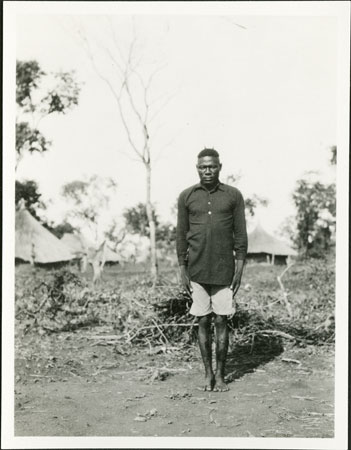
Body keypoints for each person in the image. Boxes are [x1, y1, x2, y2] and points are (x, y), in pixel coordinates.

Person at [176, 148, 248, 392]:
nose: (207, 171)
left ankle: (221, 375)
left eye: (212, 166)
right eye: (202, 167)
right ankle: (207, 373)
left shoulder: (233, 195)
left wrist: (239, 269)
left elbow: (240, 235)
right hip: (196, 269)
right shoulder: (187, 196)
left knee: (221, 320)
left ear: (220, 166)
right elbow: (181, 235)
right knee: (203, 321)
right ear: (197, 168)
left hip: (224, 269)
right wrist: (182, 268)